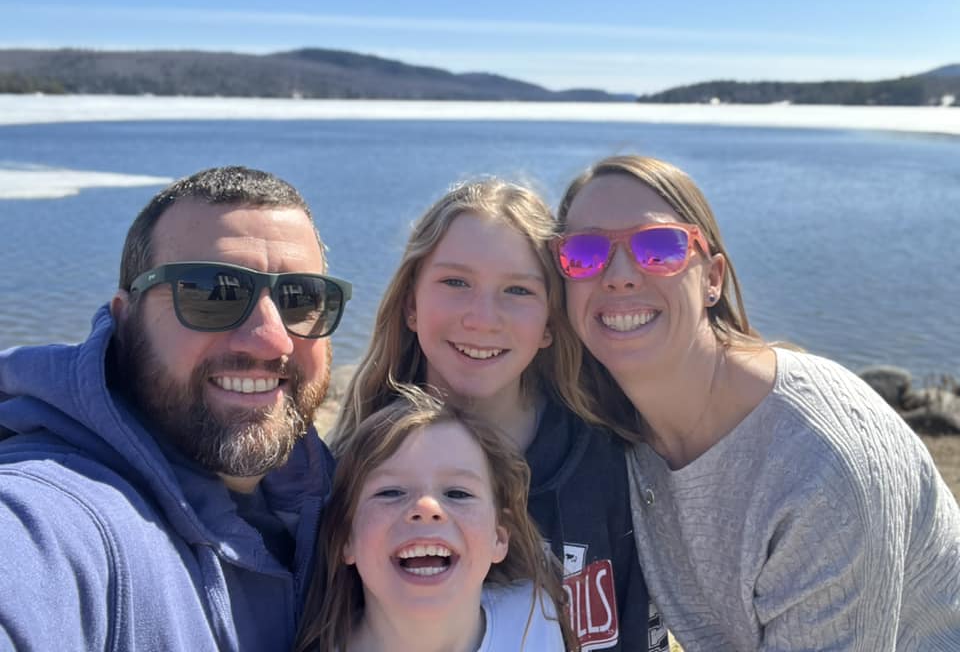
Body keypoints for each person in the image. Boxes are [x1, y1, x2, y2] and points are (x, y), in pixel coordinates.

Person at [553, 154, 960, 651]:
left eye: (659, 248)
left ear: (712, 279)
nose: (618, 275)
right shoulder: (615, 428)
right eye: (585, 253)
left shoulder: (817, 464)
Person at [0, 166, 353, 651]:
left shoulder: (338, 502)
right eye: (212, 294)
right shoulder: (51, 519)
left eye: (300, 299)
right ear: (127, 319)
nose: (272, 340)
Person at [330, 178, 667, 652]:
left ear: (551, 323)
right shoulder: (356, 469)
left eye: (518, 290)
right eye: (455, 282)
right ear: (410, 304)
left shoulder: (608, 458)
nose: (482, 318)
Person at [296, 385, 574, 651]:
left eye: (457, 493)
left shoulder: (533, 614)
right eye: (391, 492)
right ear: (346, 537)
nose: (427, 506)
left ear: (499, 537)